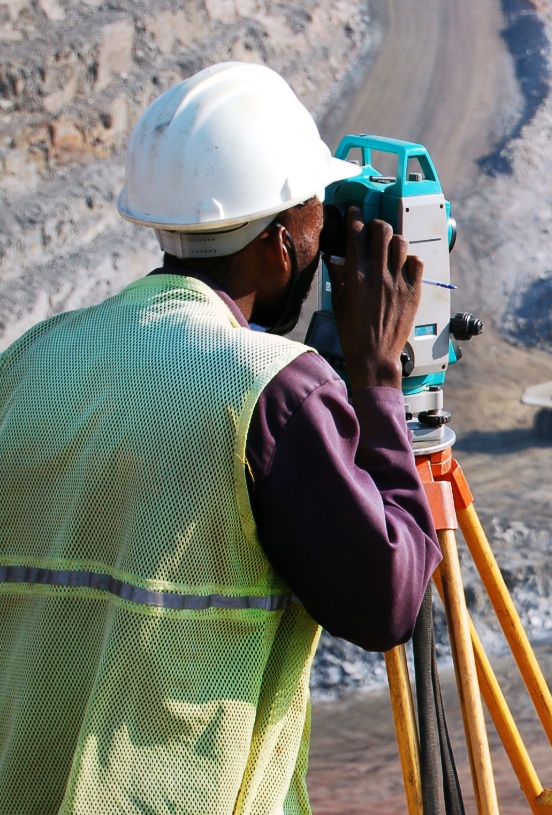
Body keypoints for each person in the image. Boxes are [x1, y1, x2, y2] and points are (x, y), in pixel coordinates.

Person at [0, 63, 442, 814]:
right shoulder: (273, 391)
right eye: (312, 211)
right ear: (278, 245)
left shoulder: (31, 358)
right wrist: (376, 383)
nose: (323, 226)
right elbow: (388, 600)